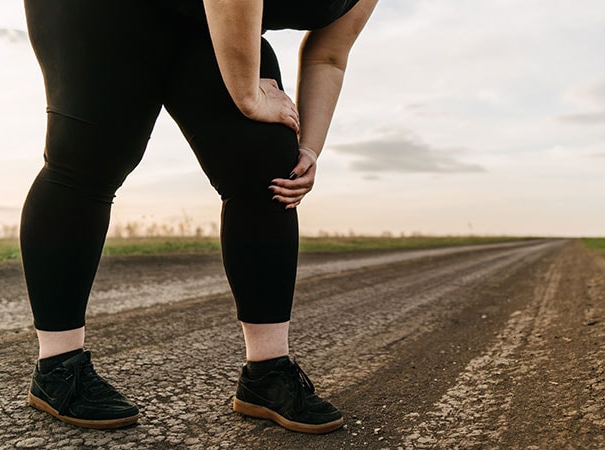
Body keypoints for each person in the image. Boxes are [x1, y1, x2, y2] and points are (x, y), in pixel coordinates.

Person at [20, 0, 377, 435]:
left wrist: (310, 150)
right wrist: (248, 96)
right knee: (87, 161)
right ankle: (58, 368)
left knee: (269, 167)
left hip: (211, 20)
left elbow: (329, 55)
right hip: (102, 11)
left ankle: (267, 374)